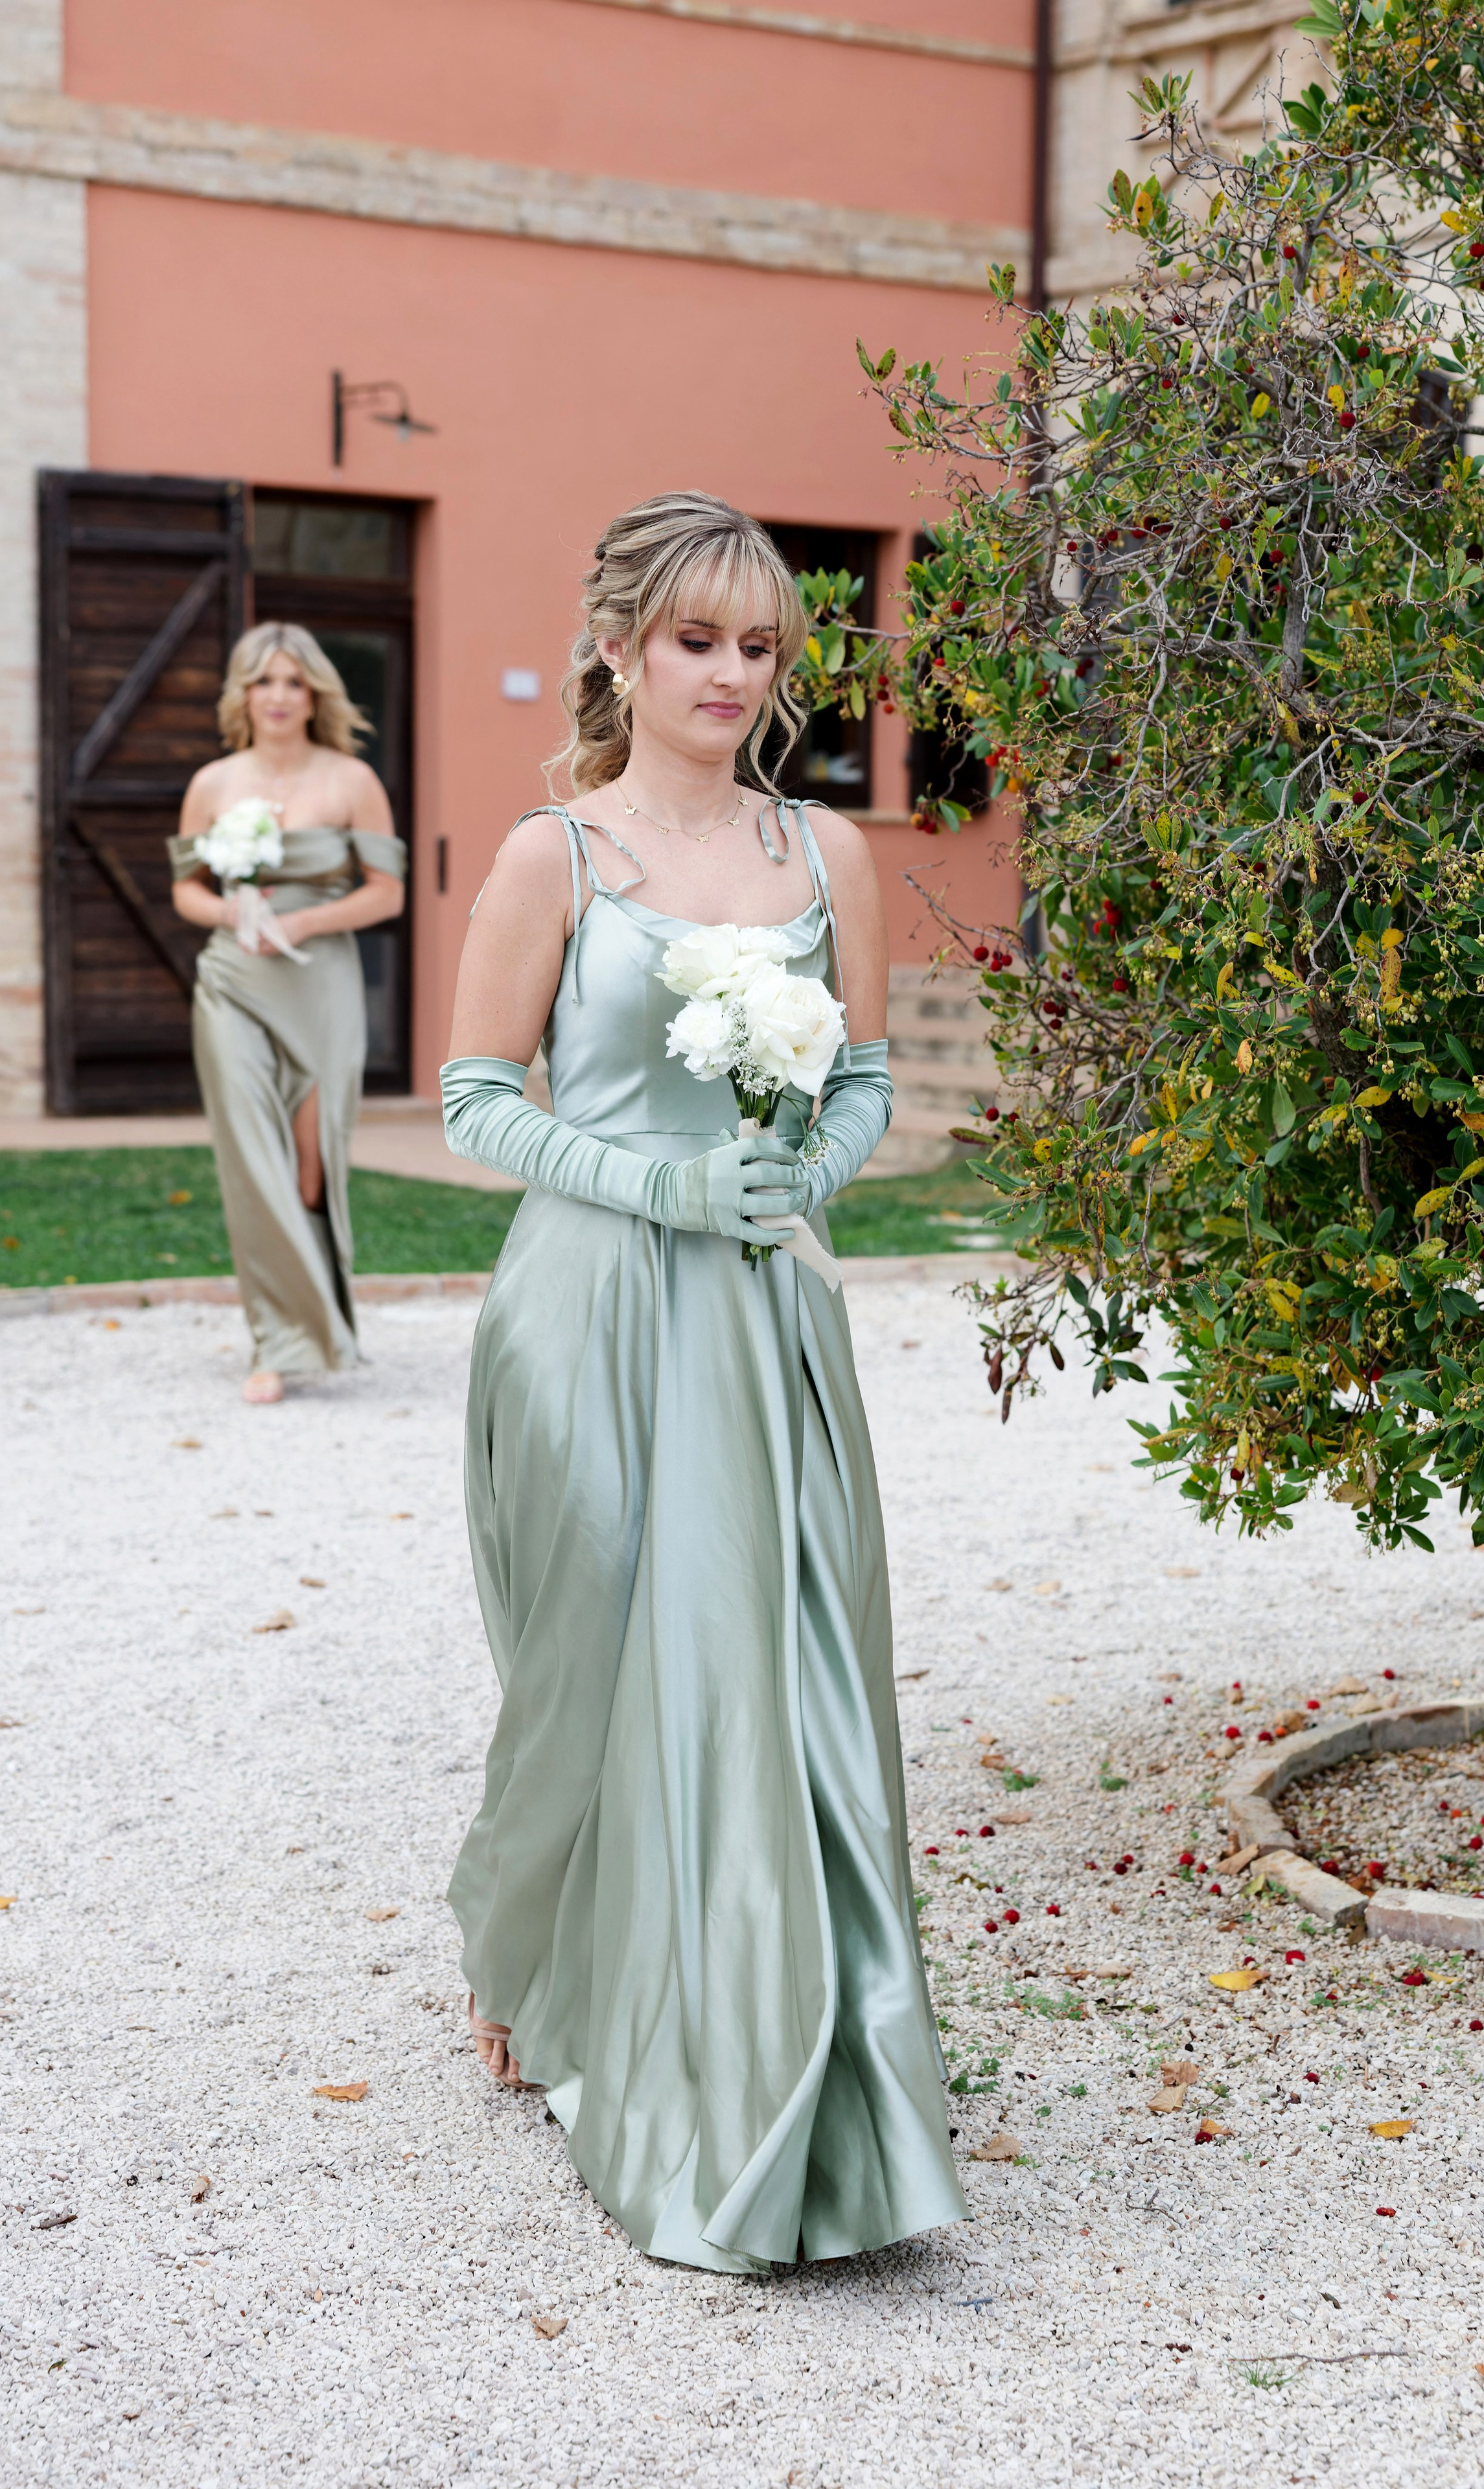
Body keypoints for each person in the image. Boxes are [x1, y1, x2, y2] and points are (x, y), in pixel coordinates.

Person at [440, 491, 967, 2271]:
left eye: (759, 646)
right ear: (618, 646)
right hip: (586, 1306)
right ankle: (525, 1943)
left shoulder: (828, 860)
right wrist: (659, 1181)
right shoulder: (555, 858)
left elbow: (871, 1084)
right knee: (586, 1668)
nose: (732, 673)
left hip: (762, 1315)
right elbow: (476, 1098)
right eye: (697, 640)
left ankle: (783, 2050)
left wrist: (799, 1174)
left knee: (770, 1673)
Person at [170, 623, 407, 1402]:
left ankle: (321, 1319)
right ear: (243, 694)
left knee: (308, 1169)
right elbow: (187, 888)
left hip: (319, 983)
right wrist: (233, 913)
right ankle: (274, 1341)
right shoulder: (212, 782)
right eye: (263, 681)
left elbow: (388, 890)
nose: (277, 696)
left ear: (315, 695)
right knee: (251, 1158)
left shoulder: (351, 780)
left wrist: (302, 921)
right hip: (233, 982)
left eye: (293, 682)